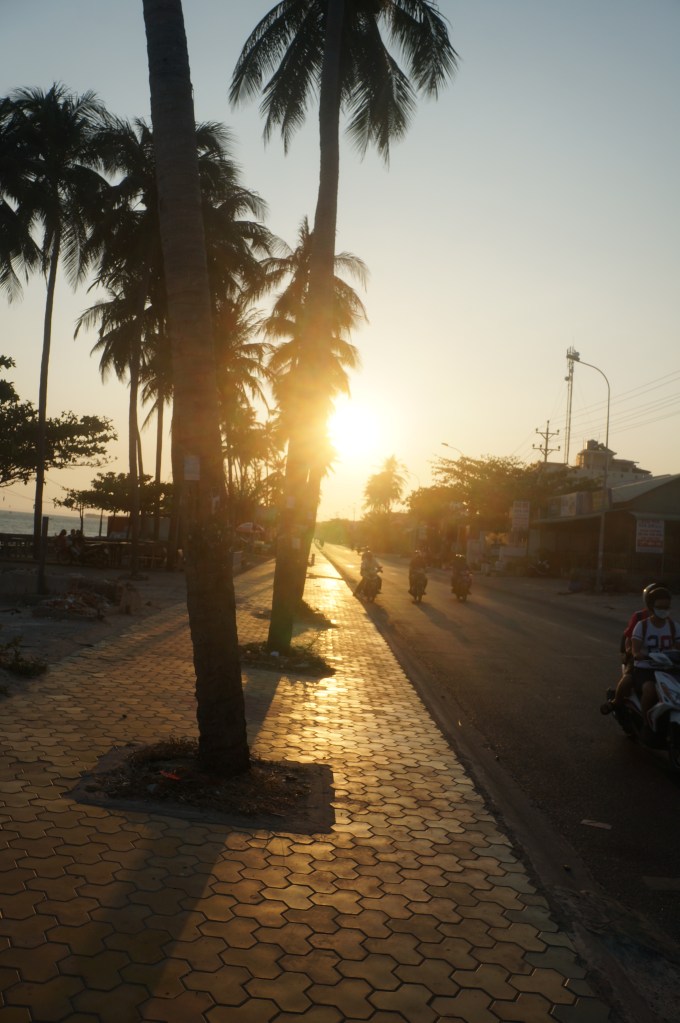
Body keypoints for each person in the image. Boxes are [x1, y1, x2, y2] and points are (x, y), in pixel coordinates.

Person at [601, 581, 669, 714]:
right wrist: (631, 651)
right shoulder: (639, 617)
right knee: (628, 680)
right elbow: (629, 638)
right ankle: (616, 702)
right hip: (641, 659)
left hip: (663, 660)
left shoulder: (669, 621)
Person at [630, 587, 680, 728]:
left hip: (669, 669)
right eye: (660, 607)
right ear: (651, 607)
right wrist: (641, 654)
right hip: (646, 670)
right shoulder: (642, 626)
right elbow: (636, 650)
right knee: (650, 690)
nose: (663, 610)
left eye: (666, 607)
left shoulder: (674, 626)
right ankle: (646, 723)